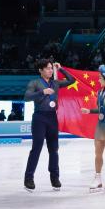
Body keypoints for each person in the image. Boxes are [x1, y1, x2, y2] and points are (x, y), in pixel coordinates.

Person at [23, 60, 76, 192]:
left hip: (52, 118)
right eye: (47, 68)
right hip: (39, 117)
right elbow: (27, 97)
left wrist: (61, 68)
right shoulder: (34, 83)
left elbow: (72, 80)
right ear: (40, 70)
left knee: (54, 150)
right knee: (37, 148)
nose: (50, 71)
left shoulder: (56, 83)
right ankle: (28, 178)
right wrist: (43, 92)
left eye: (51, 68)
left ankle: (55, 178)